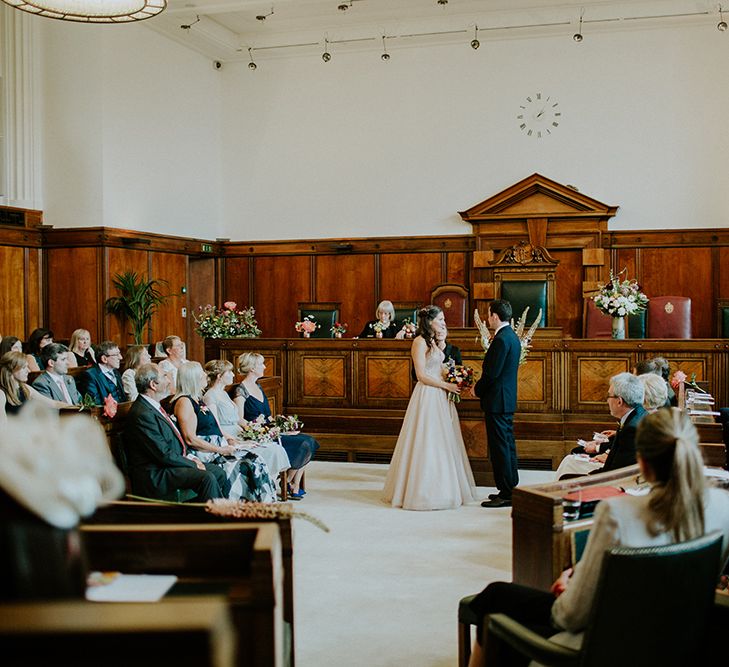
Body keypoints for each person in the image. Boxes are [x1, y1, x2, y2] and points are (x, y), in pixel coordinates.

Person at [465, 408, 729, 667]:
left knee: (495, 598)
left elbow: (571, 615)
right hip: (680, 637)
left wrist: (568, 585)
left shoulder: (619, 514)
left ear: (643, 462)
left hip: (609, 644)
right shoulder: (722, 505)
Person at [383, 305, 475, 511]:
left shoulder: (435, 342)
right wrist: (446, 385)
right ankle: (421, 492)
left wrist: (455, 378)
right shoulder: (419, 342)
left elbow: (440, 368)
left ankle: (444, 489)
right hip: (427, 395)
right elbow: (422, 375)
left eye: (443, 319)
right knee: (425, 440)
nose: (443, 322)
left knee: (441, 441)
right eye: (440, 319)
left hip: (441, 397)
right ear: (430, 321)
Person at [123, 362, 229, 501]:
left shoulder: (154, 407)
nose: (169, 380)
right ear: (153, 385)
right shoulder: (142, 414)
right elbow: (162, 454)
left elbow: (174, 442)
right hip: (155, 473)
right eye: (164, 376)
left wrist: (191, 458)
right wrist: (193, 463)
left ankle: (201, 516)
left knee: (218, 472)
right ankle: (215, 520)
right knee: (206, 477)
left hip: (168, 465)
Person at [172, 361, 276, 503]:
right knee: (248, 465)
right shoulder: (184, 402)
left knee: (256, 460)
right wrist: (221, 450)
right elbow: (190, 439)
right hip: (205, 453)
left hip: (216, 446)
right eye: (201, 373)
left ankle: (261, 506)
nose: (205, 375)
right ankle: (240, 507)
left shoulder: (197, 399)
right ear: (193, 378)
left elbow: (215, 427)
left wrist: (235, 442)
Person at [234, 352, 319, 499]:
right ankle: (291, 483)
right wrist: (256, 429)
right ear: (252, 368)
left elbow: (268, 416)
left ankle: (291, 481)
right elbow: (239, 419)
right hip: (259, 434)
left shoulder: (258, 386)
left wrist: (282, 428)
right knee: (305, 444)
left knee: (311, 441)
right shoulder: (241, 390)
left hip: (271, 431)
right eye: (261, 364)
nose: (265, 366)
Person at [555, 372, 667, 479]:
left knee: (567, 470)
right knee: (570, 461)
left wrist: (587, 477)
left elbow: (615, 473)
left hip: (617, 484)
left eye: (609, 396)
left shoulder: (631, 429)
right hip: (617, 472)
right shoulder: (637, 414)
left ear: (619, 401)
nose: (607, 400)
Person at [203, 359, 290, 482]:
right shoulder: (210, 396)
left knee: (274, 447)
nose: (233, 375)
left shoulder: (223, 393)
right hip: (227, 437)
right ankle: (260, 483)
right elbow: (216, 426)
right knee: (270, 450)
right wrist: (237, 442)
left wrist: (253, 432)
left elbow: (238, 418)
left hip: (238, 432)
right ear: (219, 376)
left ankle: (265, 482)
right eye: (230, 372)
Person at [473, 299, 521, 508]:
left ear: (494, 316)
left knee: (500, 447)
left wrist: (477, 389)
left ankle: (507, 492)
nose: (487, 319)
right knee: (507, 445)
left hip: (498, 400)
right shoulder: (512, 337)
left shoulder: (501, 339)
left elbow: (492, 373)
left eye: (489, 315)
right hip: (505, 400)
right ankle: (510, 487)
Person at [0, 351, 69, 420]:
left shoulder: (25, 388)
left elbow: (53, 404)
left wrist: (75, 408)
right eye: (24, 367)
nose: (29, 371)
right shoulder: (1, 394)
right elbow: (3, 427)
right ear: (12, 369)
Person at [78, 340, 127, 405]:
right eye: (116, 355)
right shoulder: (90, 375)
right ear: (104, 359)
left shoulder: (116, 372)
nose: (121, 357)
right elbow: (94, 402)